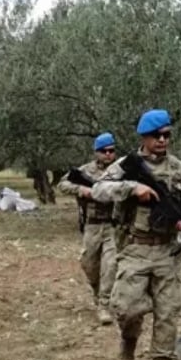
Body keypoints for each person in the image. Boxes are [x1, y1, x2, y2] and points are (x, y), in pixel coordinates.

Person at [91, 109, 181, 360]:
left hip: (167, 250)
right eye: (157, 136)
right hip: (135, 248)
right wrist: (131, 188)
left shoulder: (179, 168)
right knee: (126, 308)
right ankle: (128, 341)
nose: (163, 140)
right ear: (144, 137)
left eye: (167, 135)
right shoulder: (127, 165)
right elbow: (99, 190)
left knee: (168, 311)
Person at [56, 132, 120, 325]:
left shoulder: (120, 171)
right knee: (88, 264)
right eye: (104, 151)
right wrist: (81, 190)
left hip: (113, 225)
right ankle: (97, 290)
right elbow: (63, 184)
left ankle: (104, 305)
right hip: (92, 225)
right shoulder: (86, 171)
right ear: (96, 152)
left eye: (111, 150)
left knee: (110, 265)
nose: (108, 154)